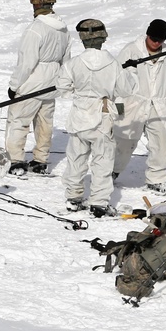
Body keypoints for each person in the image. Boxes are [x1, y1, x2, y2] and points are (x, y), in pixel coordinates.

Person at [56, 19, 137, 218]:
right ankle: (99, 203)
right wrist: (129, 71)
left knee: (76, 159)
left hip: (79, 118)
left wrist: (79, 92)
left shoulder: (72, 64)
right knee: (103, 162)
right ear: (103, 37)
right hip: (102, 118)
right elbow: (126, 90)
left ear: (82, 39)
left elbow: (62, 89)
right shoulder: (114, 64)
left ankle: (74, 197)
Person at [5, 0, 72, 176]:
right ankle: (40, 160)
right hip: (52, 83)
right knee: (45, 124)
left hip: (32, 83)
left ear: (35, 3)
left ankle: (16, 160)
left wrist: (14, 85)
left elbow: (26, 63)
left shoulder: (35, 29)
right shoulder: (63, 29)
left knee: (19, 121)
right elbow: (66, 59)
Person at [113, 19, 166, 195]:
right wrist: (118, 103)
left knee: (162, 141)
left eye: (160, 40)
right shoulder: (130, 50)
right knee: (124, 140)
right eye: (153, 38)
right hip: (133, 103)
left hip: (159, 105)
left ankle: (157, 179)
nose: (156, 42)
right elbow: (116, 79)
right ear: (147, 34)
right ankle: (110, 172)